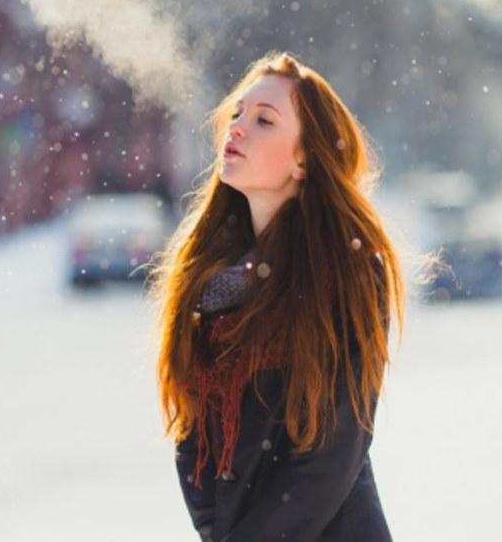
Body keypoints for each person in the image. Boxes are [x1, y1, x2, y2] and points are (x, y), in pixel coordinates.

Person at [149, 52, 407, 542]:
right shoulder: (207, 282)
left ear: (304, 159)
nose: (238, 127)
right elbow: (192, 437)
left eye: (264, 120)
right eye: (239, 113)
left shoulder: (348, 271)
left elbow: (335, 450)